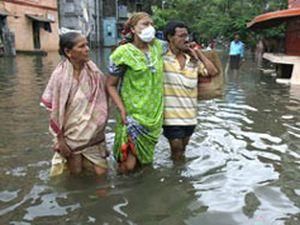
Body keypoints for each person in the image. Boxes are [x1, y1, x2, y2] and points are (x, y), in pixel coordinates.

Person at [41, 31, 108, 176]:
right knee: (76, 174)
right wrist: (61, 140)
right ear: (68, 51)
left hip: (94, 135)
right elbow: (56, 111)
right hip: (71, 137)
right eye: (82, 46)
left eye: (87, 45)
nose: (87, 49)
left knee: (102, 173)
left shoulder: (94, 72)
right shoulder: (60, 76)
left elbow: (106, 93)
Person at [106, 12, 164, 173]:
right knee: (127, 165)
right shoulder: (122, 53)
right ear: (133, 29)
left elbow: (179, 45)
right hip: (132, 115)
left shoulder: (158, 47)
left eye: (152, 24)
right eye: (145, 24)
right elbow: (110, 85)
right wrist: (122, 109)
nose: (150, 28)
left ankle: (140, 194)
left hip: (154, 116)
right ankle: (122, 193)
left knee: (144, 165)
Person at [163, 21, 218, 160]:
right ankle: (177, 179)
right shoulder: (162, 59)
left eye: (187, 35)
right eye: (181, 36)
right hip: (170, 116)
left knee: (182, 150)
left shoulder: (192, 60)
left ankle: (179, 172)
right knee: (176, 148)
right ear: (170, 37)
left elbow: (212, 71)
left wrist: (198, 53)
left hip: (190, 116)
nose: (185, 39)